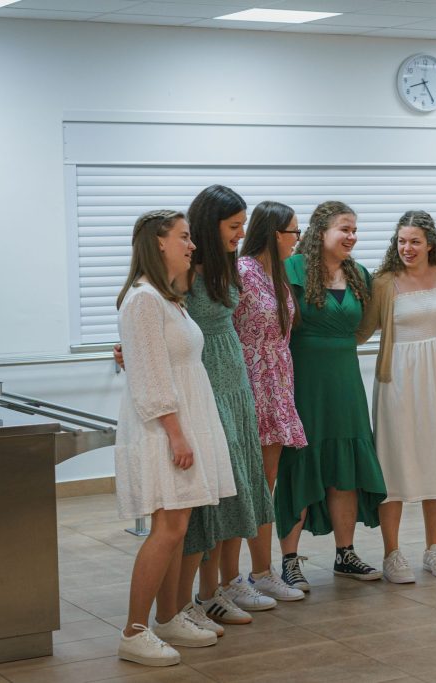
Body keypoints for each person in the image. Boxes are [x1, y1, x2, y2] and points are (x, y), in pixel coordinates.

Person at [114, 210, 234, 666]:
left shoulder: (167, 299)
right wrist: (176, 435)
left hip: (182, 423)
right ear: (158, 242)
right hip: (163, 429)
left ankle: (167, 617)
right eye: (184, 237)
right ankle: (134, 631)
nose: (192, 245)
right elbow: (150, 378)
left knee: (178, 527)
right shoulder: (143, 300)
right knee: (167, 529)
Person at [356, 210, 436, 583]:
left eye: (414, 242)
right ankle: (392, 553)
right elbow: (362, 330)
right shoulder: (384, 282)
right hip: (398, 378)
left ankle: (433, 548)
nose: (406, 248)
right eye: (402, 241)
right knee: (394, 461)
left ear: (430, 244)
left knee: (435, 458)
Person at [274, 200, 386, 584]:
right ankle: (290, 559)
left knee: (346, 466)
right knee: (299, 464)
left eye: (355, 230)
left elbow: (364, 326)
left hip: (346, 382)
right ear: (321, 231)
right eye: (344, 229)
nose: (352, 237)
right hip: (304, 381)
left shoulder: (359, 275)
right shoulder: (290, 270)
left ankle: (345, 553)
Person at [180, 185, 277, 628]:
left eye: (242, 225)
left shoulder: (226, 265)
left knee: (237, 484)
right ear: (209, 224)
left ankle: (221, 586)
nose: (241, 234)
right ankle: (202, 594)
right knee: (214, 492)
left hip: (235, 378)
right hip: (204, 381)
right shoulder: (186, 270)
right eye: (234, 226)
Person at [233, 200, 308, 601]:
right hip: (250, 383)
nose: (298, 239)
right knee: (250, 485)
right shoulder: (242, 271)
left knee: (266, 483)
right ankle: (242, 576)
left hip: (276, 382)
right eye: (294, 231)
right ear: (276, 233)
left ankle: (262, 571)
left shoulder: (276, 273)